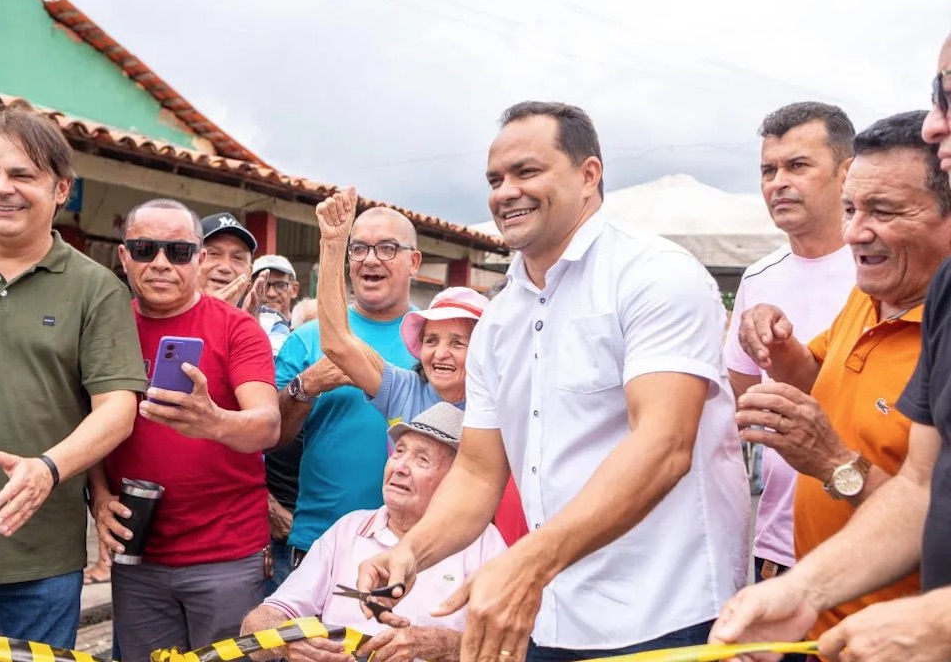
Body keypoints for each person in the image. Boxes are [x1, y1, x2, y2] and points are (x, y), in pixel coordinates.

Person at [356, 101, 750, 661]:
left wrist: (526, 562)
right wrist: (410, 553)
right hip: (551, 614)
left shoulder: (654, 275)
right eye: (495, 179)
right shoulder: (498, 320)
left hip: (667, 613)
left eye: (527, 172)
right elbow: (476, 469)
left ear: (589, 175)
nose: (505, 192)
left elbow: (664, 446)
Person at [711, 108, 951, 658]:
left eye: (883, 211)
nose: (853, 233)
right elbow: (917, 486)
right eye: (851, 209)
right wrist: (798, 591)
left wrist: (832, 462)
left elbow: (933, 510)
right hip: (824, 622)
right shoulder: (868, 298)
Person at [0, 103, 145, 648]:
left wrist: (47, 468)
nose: (1, 188)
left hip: (39, 564)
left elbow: (117, 409)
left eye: (22, 175)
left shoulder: (96, 289)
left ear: (61, 189)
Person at [91, 198, 281, 662]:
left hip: (226, 557)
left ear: (198, 258)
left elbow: (267, 425)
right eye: (144, 249)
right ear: (123, 256)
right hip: (139, 558)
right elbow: (89, 420)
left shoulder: (238, 329)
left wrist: (213, 421)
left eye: (177, 251)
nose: (160, 263)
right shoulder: (104, 326)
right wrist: (98, 496)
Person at [317, 188, 528, 546]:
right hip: (400, 543)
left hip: (477, 550)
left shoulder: (503, 404)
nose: (440, 354)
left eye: (458, 342)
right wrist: (334, 245)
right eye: (431, 341)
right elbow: (337, 343)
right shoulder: (403, 389)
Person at [241, 403, 507, 662]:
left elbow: (505, 647)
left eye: (422, 459)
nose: (400, 466)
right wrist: (288, 643)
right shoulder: (349, 529)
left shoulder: (483, 543)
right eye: (399, 452)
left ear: (457, 480)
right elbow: (259, 621)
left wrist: (437, 645)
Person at [724, 102, 856, 594]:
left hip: (875, 533)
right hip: (781, 547)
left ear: (848, 173)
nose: (778, 181)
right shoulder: (758, 278)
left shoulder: (886, 270)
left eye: (798, 165)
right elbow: (743, 405)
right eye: (768, 169)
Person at [275, 206, 421, 574]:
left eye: (387, 248)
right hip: (319, 543)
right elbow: (271, 437)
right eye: (358, 249)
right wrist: (306, 386)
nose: (370, 259)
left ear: (414, 262)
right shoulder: (307, 339)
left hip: (416, 547)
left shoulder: (435, 342)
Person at [198, 210, 267, 312]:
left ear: (250, 273)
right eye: (213, 254)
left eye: (237, 258)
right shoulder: (168, 313)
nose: (225, 267)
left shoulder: (270, 323)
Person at [252, 254, 300, 356]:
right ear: (249, 288)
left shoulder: (304, 330)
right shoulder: (236, 330)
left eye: (280, 285)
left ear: (294, 289)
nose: (271, 293)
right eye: (263, 285)